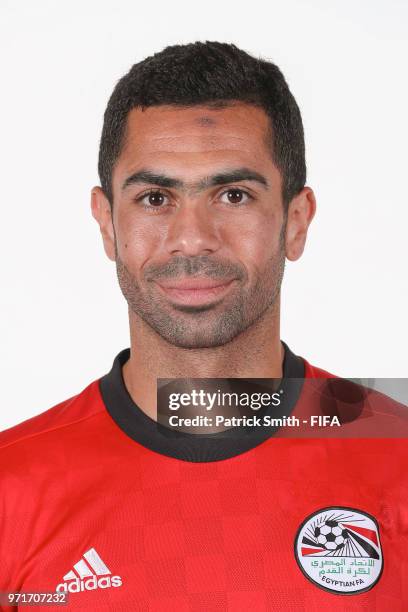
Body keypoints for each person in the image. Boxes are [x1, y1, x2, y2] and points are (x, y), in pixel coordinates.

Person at [1, 41, 407, 610]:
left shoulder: (397, 453)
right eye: (155, 197)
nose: (192, 238)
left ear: (295, 221)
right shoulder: (11, 487)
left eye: (234, 195)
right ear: (107, 224)